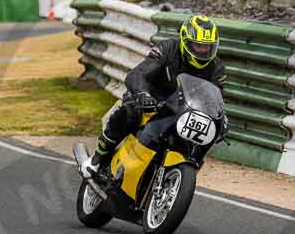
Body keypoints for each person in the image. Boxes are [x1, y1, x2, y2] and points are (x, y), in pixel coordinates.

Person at [81, 14, 227, 176]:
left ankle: (176, 173)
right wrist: (143, 94)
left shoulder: (217, 68)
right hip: (152, 99)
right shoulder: (168, 48)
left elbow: (215, 98)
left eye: (207, 47)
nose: (202, 50)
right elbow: (137, 74)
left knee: (197, 142)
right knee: (130, 110)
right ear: (185, 41)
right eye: (198, 45)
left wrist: (221, 120)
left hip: (181, 110)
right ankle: (97, 158)